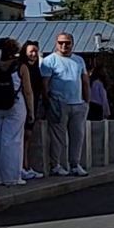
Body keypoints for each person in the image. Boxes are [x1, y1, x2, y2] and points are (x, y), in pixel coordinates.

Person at [0, 38, 33, 188]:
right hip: (15, 104)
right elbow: (28, 91)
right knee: (12, 141)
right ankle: (11, 177)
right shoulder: (21, 67)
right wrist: (31, 112)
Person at [40, 33, 89, 176]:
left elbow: (85, 81)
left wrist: (86, 101)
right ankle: (56, 165)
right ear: (56, 43)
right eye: (61, 42)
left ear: (72, 43)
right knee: (57, 138)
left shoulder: (79, 60)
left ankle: (75, 164)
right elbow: (45, 84)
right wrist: (47, 101)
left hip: (78, 103)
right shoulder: (49, 60)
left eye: (67, 43)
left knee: (77, 136)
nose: (64, 46)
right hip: (58, 102)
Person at [19, 41, 47, 180]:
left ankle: (26, 165)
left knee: (28, 137)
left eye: (36, 51)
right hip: (23, 106)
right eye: (31, 51)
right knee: (24, 137)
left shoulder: (36, 68)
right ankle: (22, 166)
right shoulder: (22, 67)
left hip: (34, 104)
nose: (34, 54)